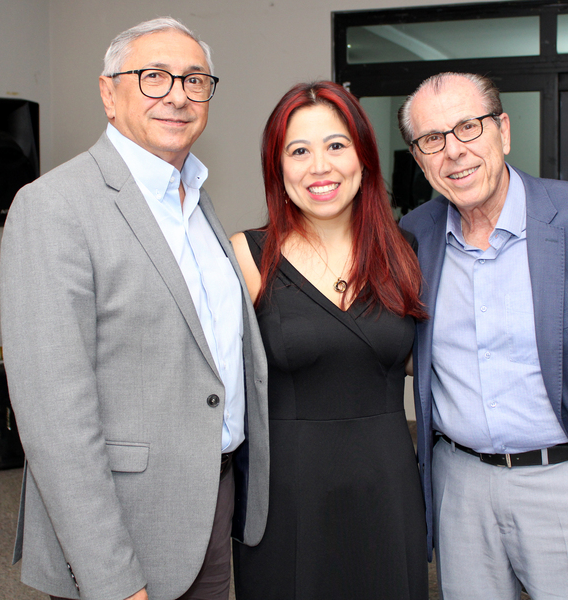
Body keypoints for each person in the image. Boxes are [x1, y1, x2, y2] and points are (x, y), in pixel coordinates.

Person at [0, 17, 268, 600]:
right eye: (154, 76)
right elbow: (54, 420)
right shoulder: (54, 207)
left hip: (210, 508)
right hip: (121, 528)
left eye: (195, 79)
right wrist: (111, 577)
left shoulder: (195, 200)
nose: (178, 94)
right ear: (108, 93)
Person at [398, 72, 568, 599]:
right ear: (419, 158)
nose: (454, 151)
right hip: (459, 488)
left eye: (469, 127)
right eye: (432, 139)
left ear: (503, 130)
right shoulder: (412, 237)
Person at [229, 81, 428, 600]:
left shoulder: (406, 252)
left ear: (364, 157)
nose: (320, 166)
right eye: (299, 151)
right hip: (286, 498)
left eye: (336, 145)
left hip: (388, 489)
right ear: (278, 169)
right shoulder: (248, 257)